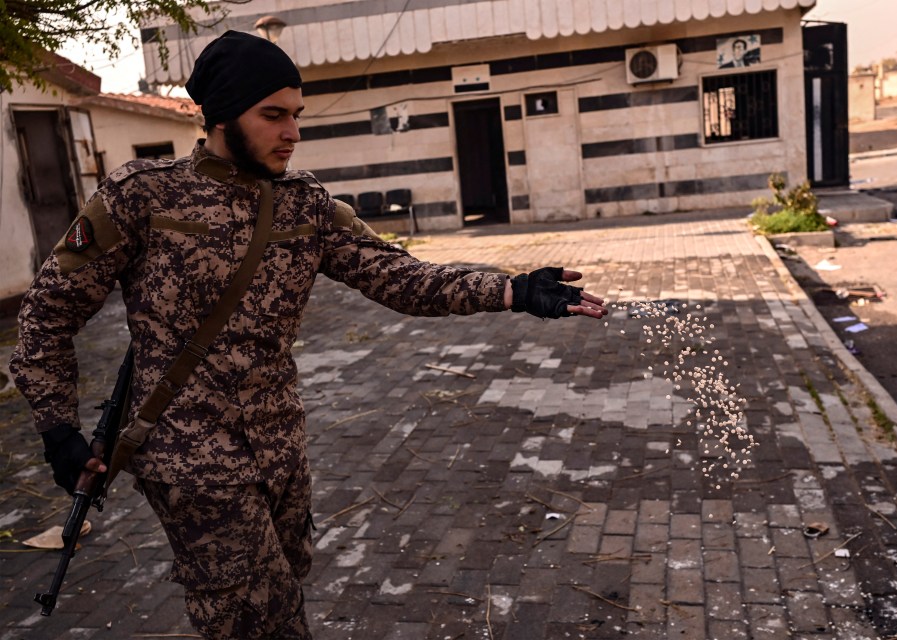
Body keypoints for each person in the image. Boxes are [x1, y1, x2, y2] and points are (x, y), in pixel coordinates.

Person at [9, 30, 607, 640]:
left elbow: (400, 277)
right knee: (257, 619)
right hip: (189, 460)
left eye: (296, 115)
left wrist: (511, 291)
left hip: (280, 444)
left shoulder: (305, 205)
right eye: (273, 116)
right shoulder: (142, 196)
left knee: (286, 582)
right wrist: (58, 428)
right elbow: (47, 313)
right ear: (220, 118)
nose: (293, 133)